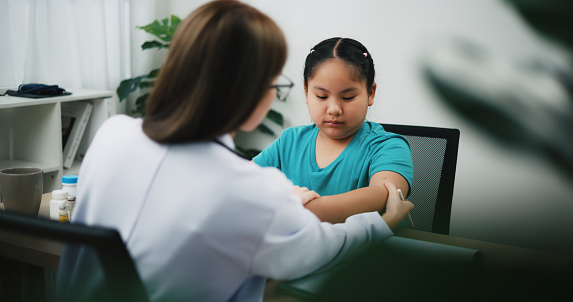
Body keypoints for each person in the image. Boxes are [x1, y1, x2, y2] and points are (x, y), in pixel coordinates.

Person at [56, 2, 414, 302]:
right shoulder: (250, 189)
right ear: (251, 91)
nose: (332, 108)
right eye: (276, 81)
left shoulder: (112, 135)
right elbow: (321, 248)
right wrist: (383, 224)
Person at [253, 37, 414, 223]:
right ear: (306, 92)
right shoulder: (290, 141)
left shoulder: (388, 147)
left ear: (370, 93)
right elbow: (239, 183)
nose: (334, 109)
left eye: (347, 97)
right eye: (321, 96)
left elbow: (384, 196)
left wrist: (289, 208)